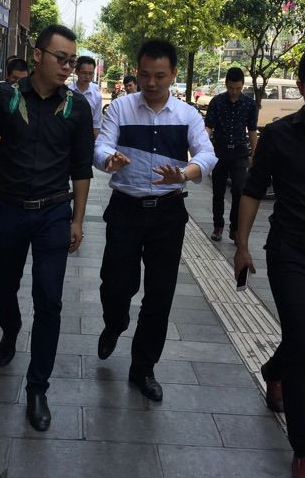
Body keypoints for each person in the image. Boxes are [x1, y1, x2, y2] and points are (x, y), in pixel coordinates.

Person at [0, 24, 94, 432]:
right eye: (61, 59)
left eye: (72, 61)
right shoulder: (5, 97)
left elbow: (81, 168)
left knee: (49, 300)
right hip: (10, 210)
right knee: (2, 287)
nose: (67, 68)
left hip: (54, 213)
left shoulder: (77, 107)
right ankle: (11, 328)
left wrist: (77, 219)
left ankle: (38, 388)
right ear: (38, 55)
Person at [94, 39, 216, 401]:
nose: (151, 83)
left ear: (173, 74)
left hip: (167, 213)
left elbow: (207, 153)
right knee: (116, 284)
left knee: (160, 294)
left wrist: (186, 172)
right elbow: (101, 145)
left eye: (159, 76)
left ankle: (143, 368)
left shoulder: (187, 115)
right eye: (145, 74)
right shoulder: (120, 108)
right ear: (137, 70)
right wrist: (109, 159)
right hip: (125, 209)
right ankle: (115, 321)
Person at [234, 46, 305, 478]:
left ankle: (274, 370)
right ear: (302, 88)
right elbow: (253, 190)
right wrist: (242, 246)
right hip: (290, 251)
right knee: (303, 345)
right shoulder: (279, 135)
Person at [205, 67, 258, 243]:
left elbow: (252, 130)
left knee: (238, 190)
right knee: (218, 191)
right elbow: (209, 126)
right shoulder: (217, 102)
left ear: (243, 85)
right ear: (226, 84)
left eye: (238, 88)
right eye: (231, 88)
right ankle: (218, 226)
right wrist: (203, 146)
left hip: (240, 152)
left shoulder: (249, 104)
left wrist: (254, 154)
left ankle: (235, 228)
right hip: (219, 151)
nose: (234, 92)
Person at [0, 57, 30, 225]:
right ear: (7, 76)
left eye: (22, 80)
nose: (18, 84)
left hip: (22, 154)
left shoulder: (32, 96)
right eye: (14, 79)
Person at [70, 56, 102, 138]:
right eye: (84, 73)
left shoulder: (97, 97)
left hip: (87, 137)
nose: (87, 77)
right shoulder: (68, 92)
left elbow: (96, 123)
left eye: (90, 73)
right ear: (76, 72)